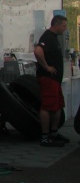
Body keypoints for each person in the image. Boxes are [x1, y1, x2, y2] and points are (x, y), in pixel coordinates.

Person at [34, 15, 70, 147]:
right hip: (48, 79)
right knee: (47, 106)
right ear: (56, 25)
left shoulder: (54, 38)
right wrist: (46, 67)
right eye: (64, 26)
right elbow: (38, 51)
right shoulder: (47, 37)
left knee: (58, 105)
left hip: (55, 80)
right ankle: (45, 137)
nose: (65, 29)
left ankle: (53, 134)